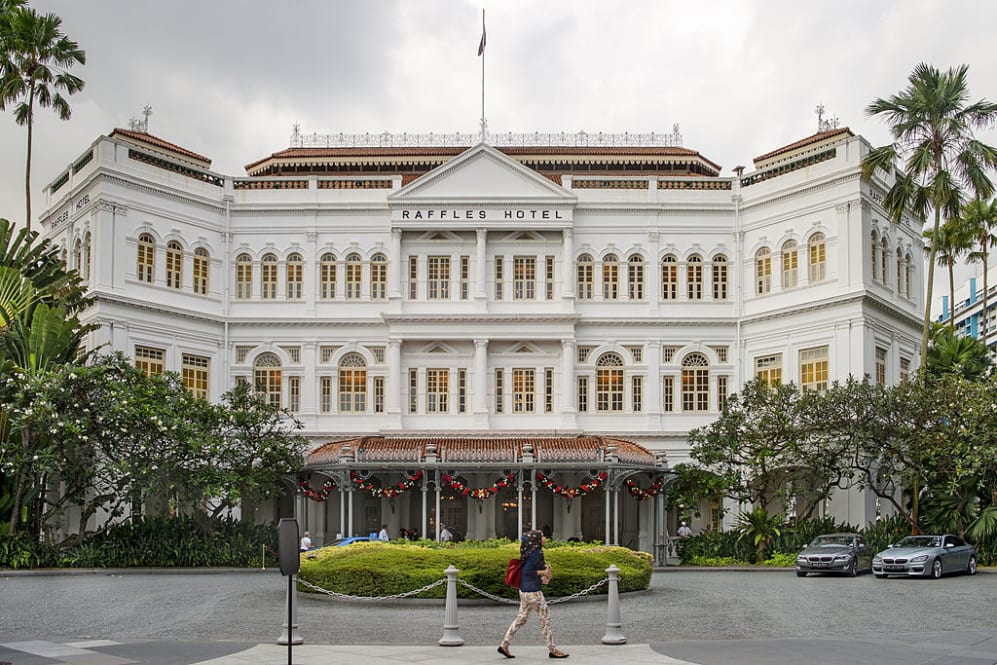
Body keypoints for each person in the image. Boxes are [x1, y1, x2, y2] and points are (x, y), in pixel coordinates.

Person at [498, 529, 568, 659]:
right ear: (536, 540)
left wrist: (545, 571)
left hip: (524, 591)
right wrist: (544, 573)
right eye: (542, 536)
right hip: (533, 592)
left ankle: (504, 644)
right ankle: (553, 650)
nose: (545, 538)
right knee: (545, 619)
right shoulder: (536, 553)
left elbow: (530, 570)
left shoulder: (529, 552)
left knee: (521, 618)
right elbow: (529, 571)